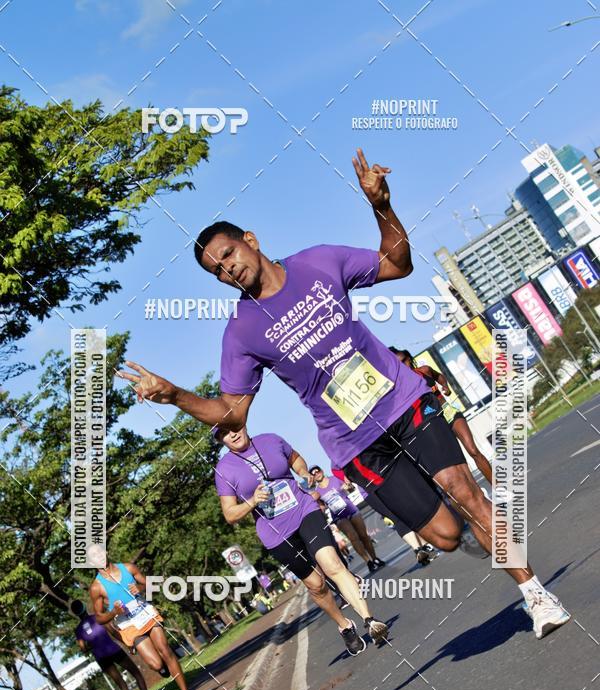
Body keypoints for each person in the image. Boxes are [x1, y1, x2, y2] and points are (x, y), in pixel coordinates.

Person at [119, 147, 569, 640]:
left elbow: (397, 264)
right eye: (217, 271)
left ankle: (535, 595)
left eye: (228, 255)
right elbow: (231, 413)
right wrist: (175, 395)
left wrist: (381, 205)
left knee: (466, 492)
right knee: (445, 535)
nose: (228, 270)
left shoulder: (318, 263)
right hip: (353, 442)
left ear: (250, 241)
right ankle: (470, 535)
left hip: (403, 400)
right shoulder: (241, 332)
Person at [213, 425, 389, 653]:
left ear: (243, 424)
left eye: (234, 427)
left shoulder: (271, 439)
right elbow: (230, 514)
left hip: (304, 510)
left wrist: (304, 473)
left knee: (332, 563)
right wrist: (252, 501)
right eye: (225, 433)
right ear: (220, 439)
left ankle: (370, 621)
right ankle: (345, 626)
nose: (233, 434)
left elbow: (296, 459)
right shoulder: (224, 470)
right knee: (316, 585)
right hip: (276, 534)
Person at [89, 560, 202, 690]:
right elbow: (99, 618)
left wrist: (140, 588)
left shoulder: (128, 568)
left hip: (146, 613)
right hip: (129, 625)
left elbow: (152, 586)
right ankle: (162, 668)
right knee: (155, 664)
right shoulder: (96, 587)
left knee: (165, 650)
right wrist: (113, 612)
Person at [391, 347, 493, 485]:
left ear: (409, 358)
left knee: (473, 450)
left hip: (448, 412)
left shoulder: (424, 371)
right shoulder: (402, 388)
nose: (404, 366)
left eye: (404, 361)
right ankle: (478, 496)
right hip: (432, 424)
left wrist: (445, 387)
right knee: (458, 465)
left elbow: (439, 377)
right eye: (399, 365)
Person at [330, 466, 436, 567]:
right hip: (379, 484)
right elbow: (346, 481)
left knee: (397, 518)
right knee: (404, 514)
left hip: (370, 490)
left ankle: (418, 549)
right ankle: (424, 546)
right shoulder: (343, 456)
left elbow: (345, 479)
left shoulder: (336, 460)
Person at [72, 599, 160, 690]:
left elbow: (83, 648)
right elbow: (113, 632)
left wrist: (92, 646)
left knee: (121, 683)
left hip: (101, 657)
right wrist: (127, 644)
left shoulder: (78, 630)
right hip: (113, 650)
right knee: (136, 673)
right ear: (84, 607)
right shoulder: (98, 618)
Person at [309, 465, 385, 573]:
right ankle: (368, 561)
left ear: (322, 470)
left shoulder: (334, 479)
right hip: (338, 516)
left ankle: (374, 558)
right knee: (353, 538)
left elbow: (351, 488)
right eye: (314, 473)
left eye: (318, 471)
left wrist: (348, 487)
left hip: (351, 510)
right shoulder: (317, 492)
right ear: (312, 477)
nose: (317, 473)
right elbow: (321, 506)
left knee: (364, 536)